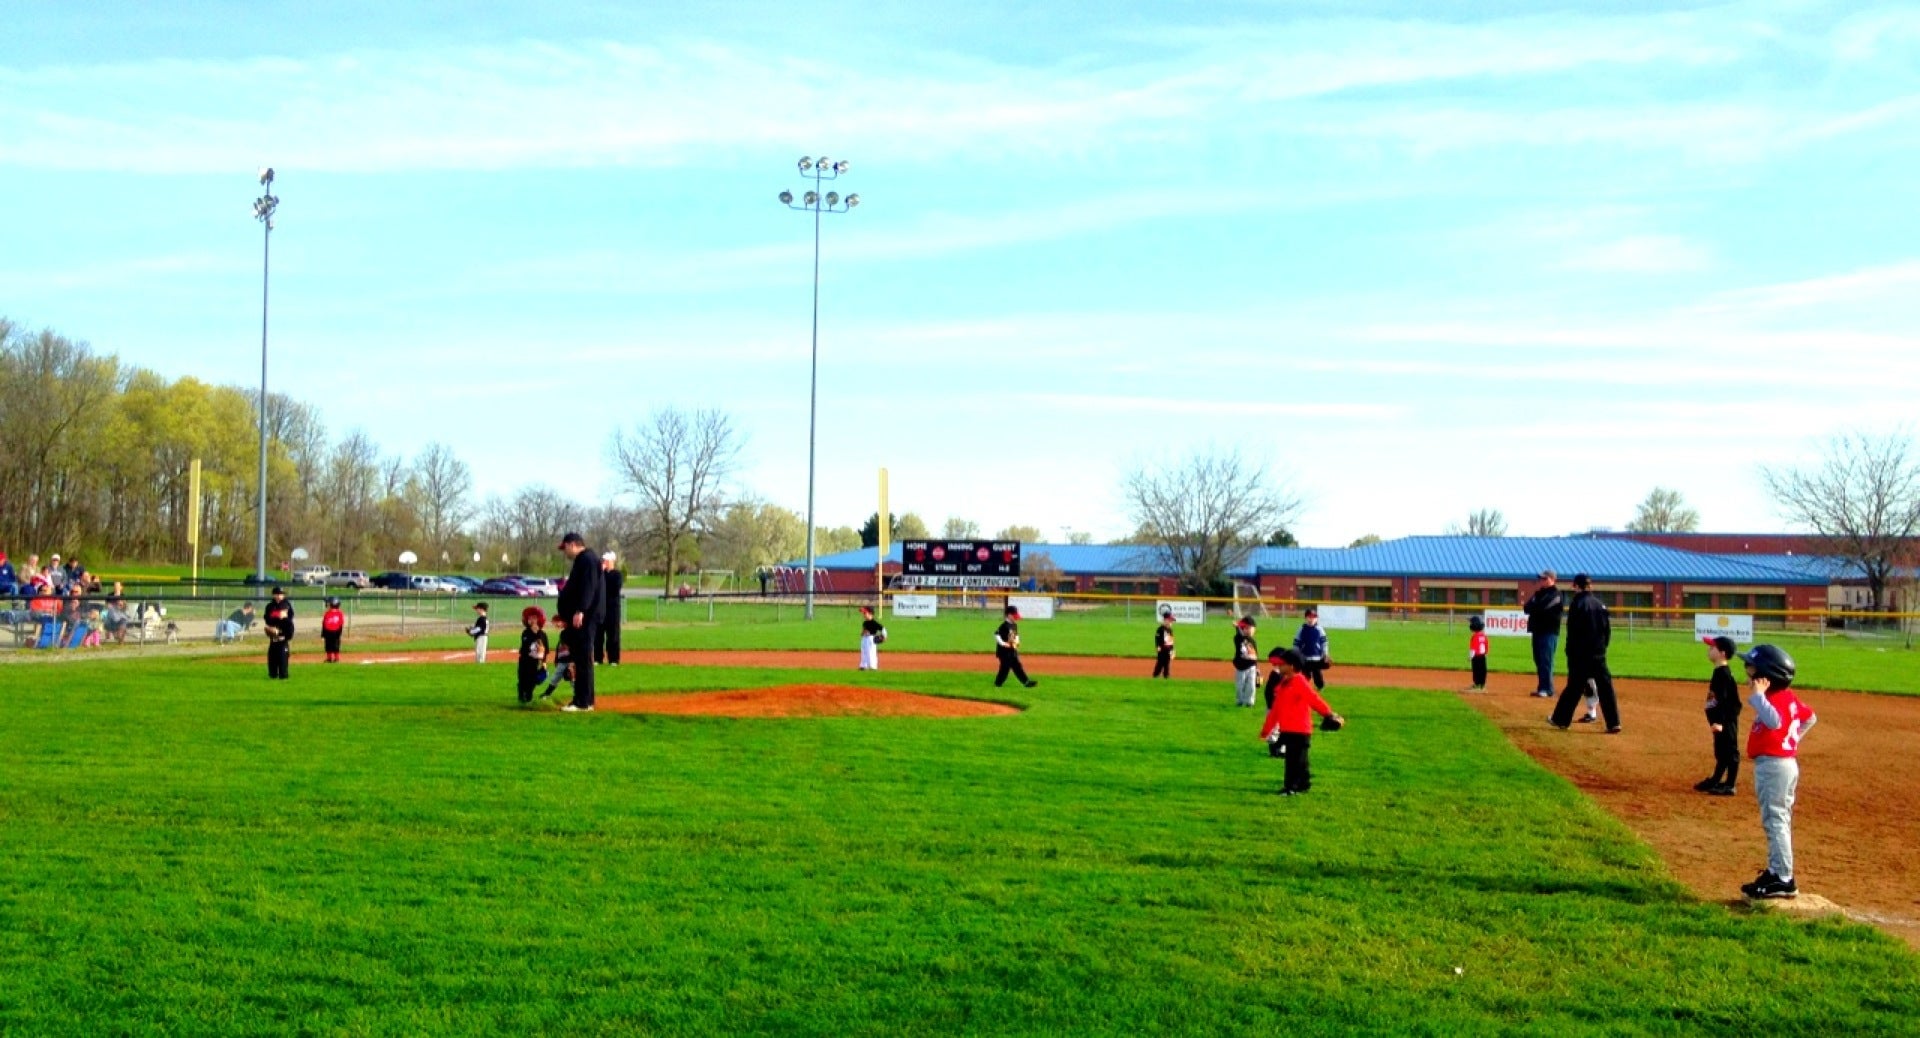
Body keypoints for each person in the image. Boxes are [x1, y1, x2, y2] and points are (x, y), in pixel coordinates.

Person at [1739, 644, 1817, 900]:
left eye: (1750, 667)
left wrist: (1759, 696)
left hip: (1774, 766)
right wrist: (1791, 740)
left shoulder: (1774, 698)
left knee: (1776, 820)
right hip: (1781, 763)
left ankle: (1783, 878)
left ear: (1766, 675)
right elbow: (1809, 717)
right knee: (1775, 819)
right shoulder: (1788, 697)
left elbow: (1774, 721)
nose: (1746, 671)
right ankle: (1775, 872)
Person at [1259, 648, 1345, 796]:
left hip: (1300, 729)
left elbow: (1313, 699)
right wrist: (1266, 730)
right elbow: (1276, 710)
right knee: (1300, 760)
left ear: (1292, 666)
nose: (1278, 667)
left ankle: (1291, 788)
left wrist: (1329, 714)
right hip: (1288, 729)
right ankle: (1303, 785)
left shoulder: (1299, 681)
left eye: (1282, 664)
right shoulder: (1284, 684)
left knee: (1294, 761)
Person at [1548, 573, 1619, 733]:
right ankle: (1614, 723)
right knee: (1606, 688)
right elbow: (1607, 632)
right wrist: (1602, 648)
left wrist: (1570, 652)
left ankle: (1561, 719)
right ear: (1590, 586)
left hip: (1581, 655)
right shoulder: (1601, 605)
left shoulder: (1578, 604)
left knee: (1573, 688)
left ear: (1576, 586)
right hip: (1598, 654)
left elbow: (1573, 632)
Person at [556, 532, 605, 712]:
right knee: (582, 658)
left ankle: (582, 702)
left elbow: (588, 587)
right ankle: (586, 699)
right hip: (582, 617)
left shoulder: (588, 560)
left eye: (566, 548)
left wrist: (580, 610)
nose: (565, 552)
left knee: (582, 659)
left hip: (585, 618)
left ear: (573, 544)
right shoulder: (585, 560)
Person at [1696, 636, 1742, 795]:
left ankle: (1730, 784)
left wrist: (1719, 721)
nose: (1709, 650)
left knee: (1730, 751)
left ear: (1722, 653)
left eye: (1713, 647)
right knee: (1721, 751)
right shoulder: (1719, 672)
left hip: (1725, 720)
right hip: (1721, 720)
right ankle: (1716, 779)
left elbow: (1726, 702)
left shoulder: (1723, 674)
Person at [1522, 569, 1565, 698]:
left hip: (1549, 631)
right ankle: (1542, 687)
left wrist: (1536, 606)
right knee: (1538, 659)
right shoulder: (1539, 593)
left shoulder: (1557, 594)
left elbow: (1542, 608)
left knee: (1546, 660)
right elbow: (1526, 608)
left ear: (1552, 579)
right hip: (1537, 630)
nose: (1541, 581)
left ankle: (1548, 689)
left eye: (1544, 578)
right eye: (1541, 578)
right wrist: (1536, 606)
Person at [993, 605, 1038, 688]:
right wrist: (1003, 643)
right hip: (1004, 652)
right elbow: (996, 634)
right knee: (1005, 668)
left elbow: (1015, 635)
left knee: (1017, 666)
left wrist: (1017, 641)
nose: (1016, 618)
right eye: (1014, 616)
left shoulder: (1014, 625)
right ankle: (998, 684)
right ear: (1009, 615)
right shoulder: (1004, 626)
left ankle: (1026, 682)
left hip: (1012, 650)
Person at [596, 552, 625, 666]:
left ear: (612, 561)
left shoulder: (617, 575)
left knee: (613, 635)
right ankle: (598, 658)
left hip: (612, 610)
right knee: (598, 636)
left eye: (606, 561)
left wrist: (604, 574)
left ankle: (613, 659)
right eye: (603, 561)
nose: (604, 563)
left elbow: (614, 588)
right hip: (600, 609)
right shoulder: (600, 574)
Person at [517, 606, 550, 706]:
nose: (532, 620)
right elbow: (526, 645)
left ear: (540, 619)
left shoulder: (543, 634)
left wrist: (544, 662)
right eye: (529, 618)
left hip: (535, 663)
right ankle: (521, 695)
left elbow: (545, 650)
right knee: (522, 678)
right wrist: (534, 634)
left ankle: (528, 696)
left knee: (532, 680)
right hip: (525, 661)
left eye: (534, 618)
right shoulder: (525, 633)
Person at [1293, 607, 1331, 691]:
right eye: (1309, 617)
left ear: (1316, 619)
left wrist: (1325, 653)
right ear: (1305, 618)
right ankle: (1305, 688)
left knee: (1317, 674)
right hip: (1304, 656)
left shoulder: (1319, 629)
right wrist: (1296, 654)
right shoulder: (1302, 629)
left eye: (1314, 617)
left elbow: (1324, 642)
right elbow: (1296, 642)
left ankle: (1320, 686)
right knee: (1305, 674)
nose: (1311, 619)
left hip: (1317, 657)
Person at [261, 587, 295, 680]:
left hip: (283, 639)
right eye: (277, 594)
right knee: (272, 662)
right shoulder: (270, 606)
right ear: (274, 595)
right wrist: (272, 628)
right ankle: (273, 675)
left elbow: (289, 623)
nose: (279, 596)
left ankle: (283, 676)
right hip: (273, 640)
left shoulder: (286, 604)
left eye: (281, 594)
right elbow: (267, 619)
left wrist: (281, 632)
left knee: (283, 664)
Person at [1230, 616, 1259, 707]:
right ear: (1242, 629)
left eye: (1251, 628)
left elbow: (1255, 655)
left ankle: (1250, 701)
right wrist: (1237, 627)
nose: (1250, 630)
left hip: (1251, 667)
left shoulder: (1252, 641)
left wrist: (1257, 667)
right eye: (1247, 628)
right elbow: (1239, 636)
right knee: (1240, 685)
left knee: (1251, 686)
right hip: (1241, 667)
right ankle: (1240, 700)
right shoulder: (1238, 639)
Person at [858, 605, 885, 671]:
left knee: (871, 653)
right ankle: (863, 666)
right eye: (863, 613)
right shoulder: (865, 623)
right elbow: (863, 631)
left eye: (865, 613)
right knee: (864, 652)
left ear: (870, 613)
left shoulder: (874, 623)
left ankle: (873, 667)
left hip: (871, 639)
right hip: (864, 639)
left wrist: (884, 637)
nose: (863, 615)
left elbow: (883, 629)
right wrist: (863, 633)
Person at [1467, 615, 1489, 692]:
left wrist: (1470, 657)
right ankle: (1482, 686)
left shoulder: (1474, 636)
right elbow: (1486, 647)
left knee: (1476, 671)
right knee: (1483, 671)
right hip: (1483, 657)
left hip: (1476, 657)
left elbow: (1473, 648)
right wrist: (1486, 654)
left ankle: (1477, 685)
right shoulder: (1484, 636)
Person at [321, 597, 346, 663]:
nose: (327, 605)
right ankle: (329, 658)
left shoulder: (339, 613)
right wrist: (323, 634)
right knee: (328, 645)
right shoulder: (327, 613)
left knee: (336, 645)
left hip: (336, 632)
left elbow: (341, 623)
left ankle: (336, 658)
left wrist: (339, 633)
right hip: (328, 632)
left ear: (333, 604)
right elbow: (324, 624)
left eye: (328, 604)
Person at [1151, 610, 1175, 679]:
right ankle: (1155, 676)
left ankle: (1166, 677)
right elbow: (1157, 639)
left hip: (1168, 651)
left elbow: (1170, 642)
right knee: (1160, 664)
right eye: (1170, 620)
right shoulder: (1160, 629)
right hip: (1161, 651)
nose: (1171, 622)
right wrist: (1157, 647)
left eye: (1171, 621)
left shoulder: (1170, 630)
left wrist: (1172, 650)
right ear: (1165, 620)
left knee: (1167, 665)